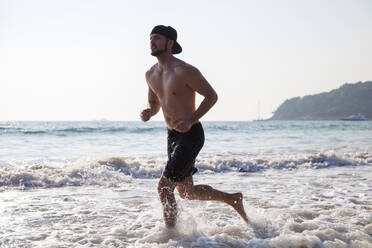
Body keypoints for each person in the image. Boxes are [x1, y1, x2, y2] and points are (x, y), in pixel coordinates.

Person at [140, 25, 249, 227]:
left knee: (164, 188)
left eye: (156, 38)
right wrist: (149, 111)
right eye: (150, 38)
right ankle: (232, 199)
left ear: (170, 43)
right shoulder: (150, 74)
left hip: (191, 134)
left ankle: (172, 237)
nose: (152, 42)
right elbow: (154, 102)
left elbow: (212, 96)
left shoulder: (186, 71)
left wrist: (191, 119)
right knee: (187, 192)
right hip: (172, 135)